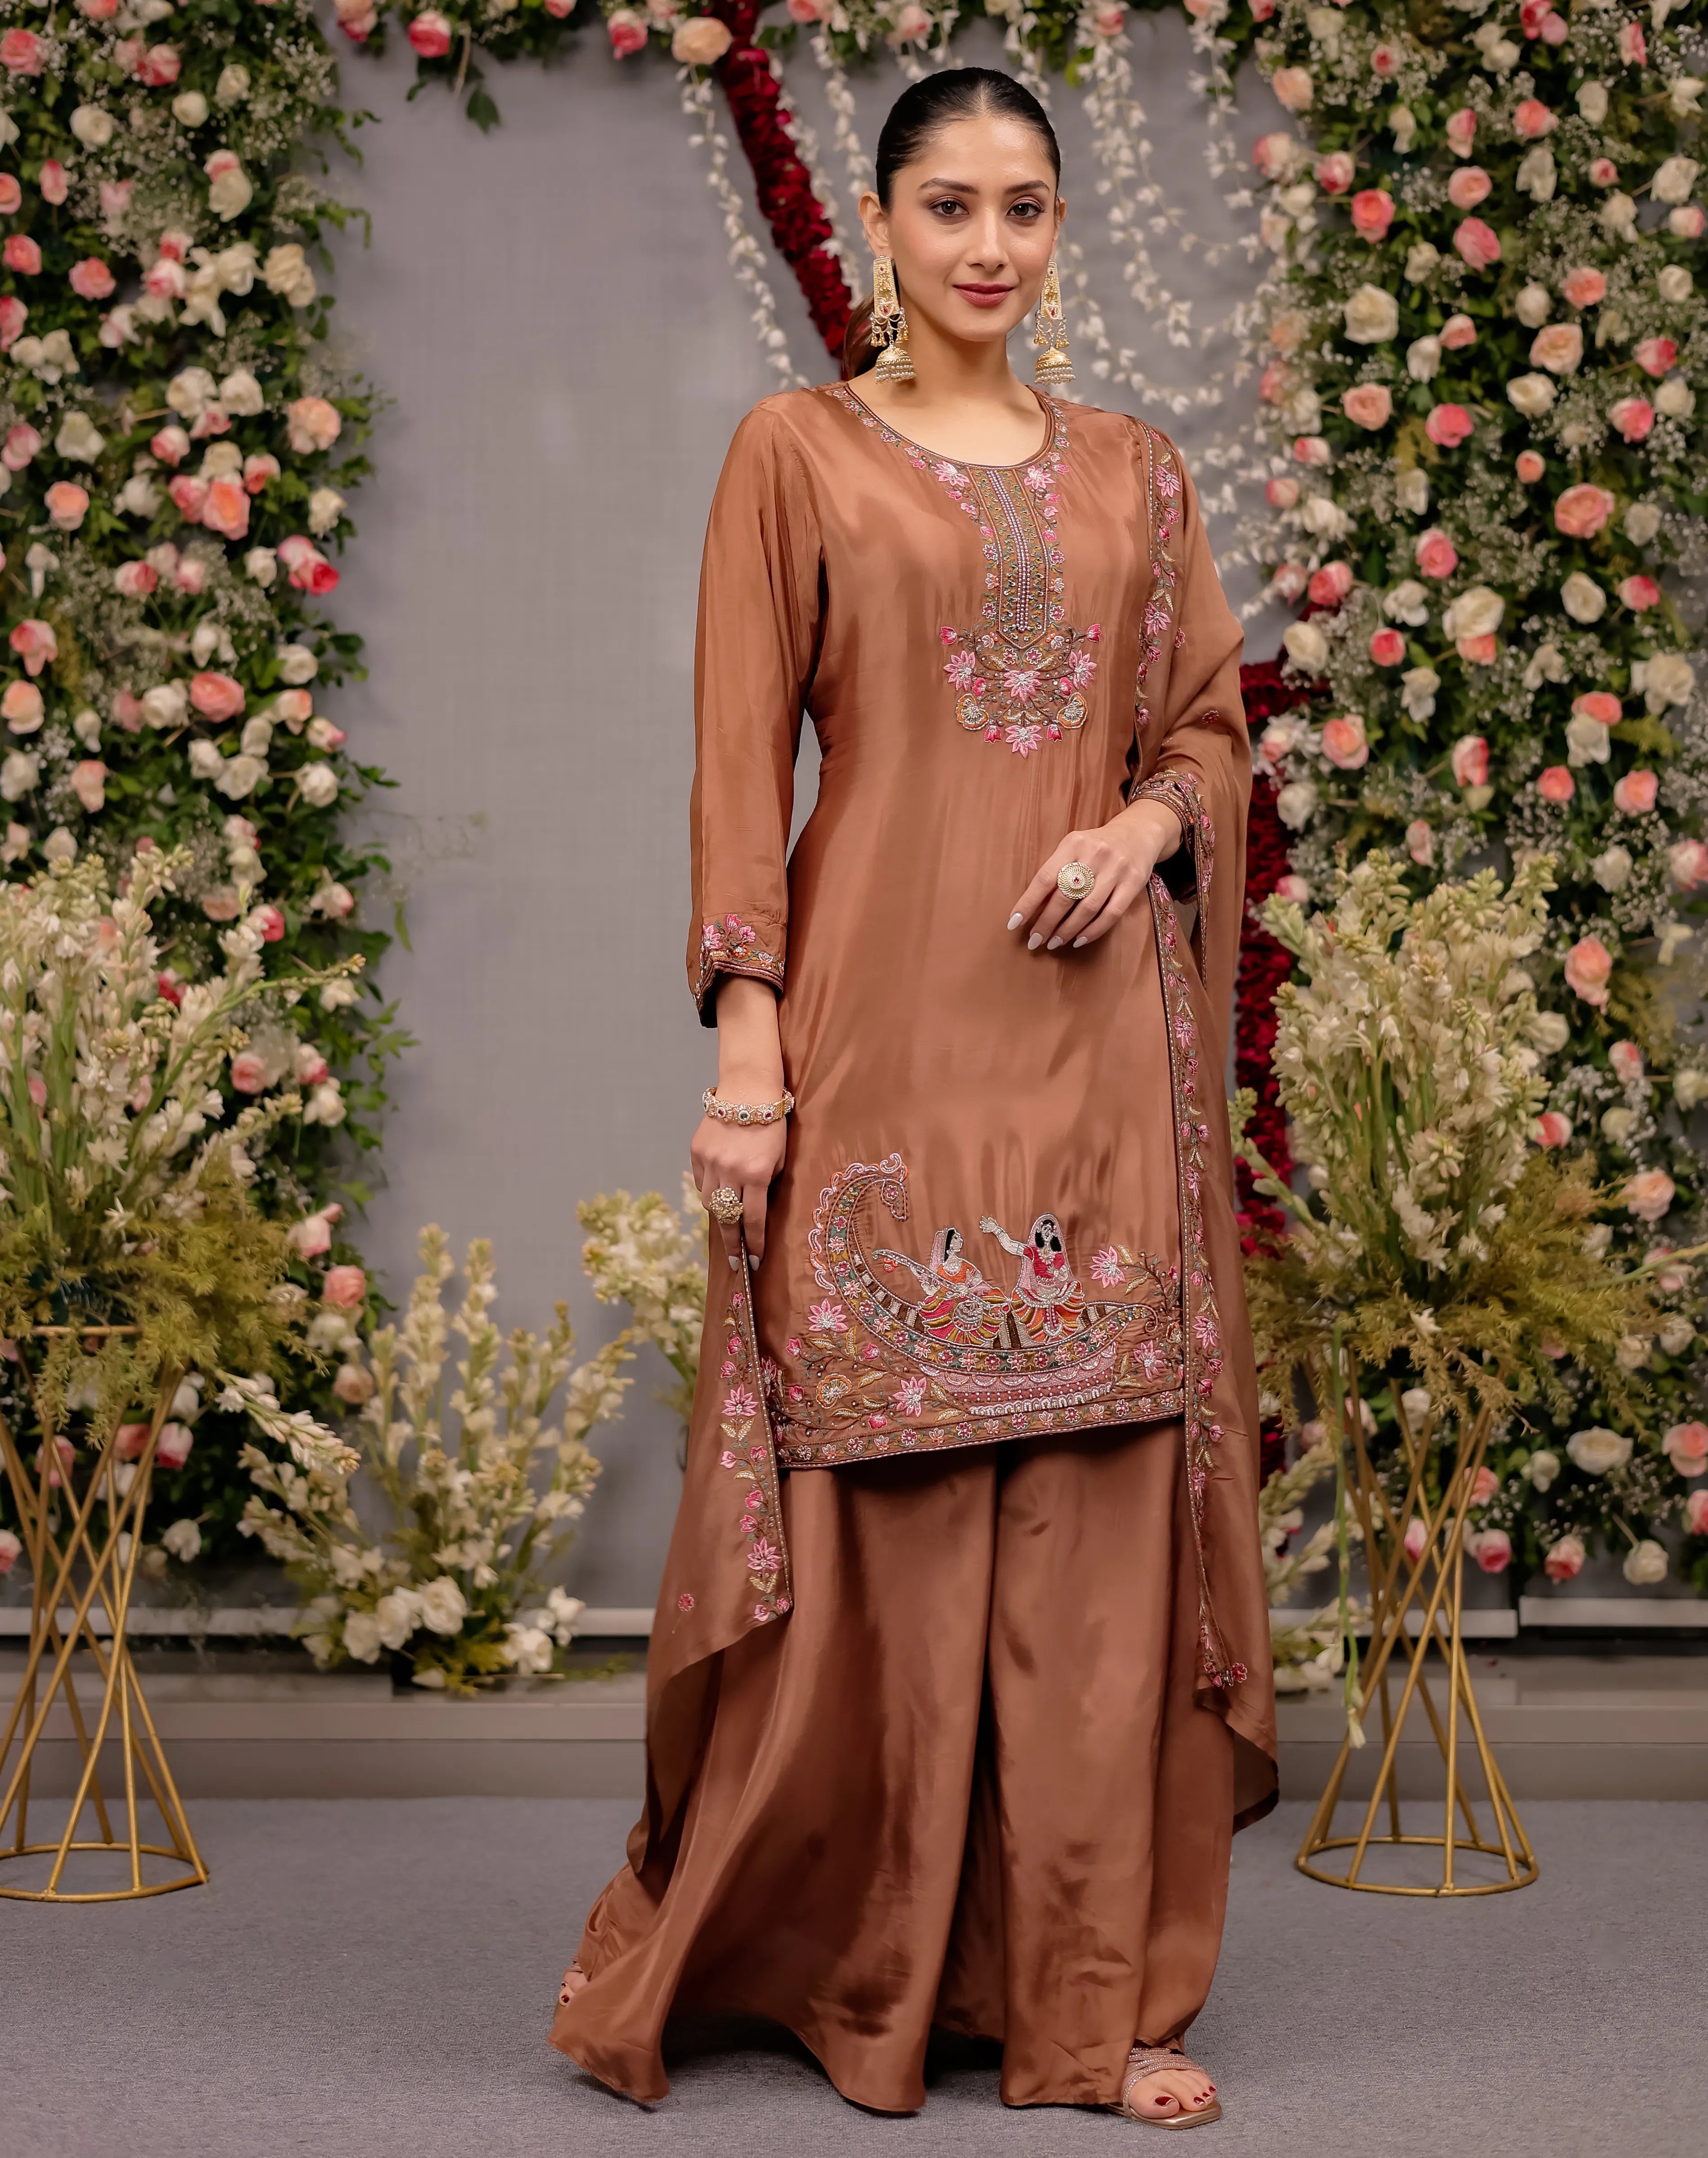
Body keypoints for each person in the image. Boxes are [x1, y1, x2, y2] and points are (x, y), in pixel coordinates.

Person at [551, 66, 1275, 2127]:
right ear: (876, 224)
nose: (987, 244)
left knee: (1092, 1536)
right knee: (880, 1524)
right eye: (947, 203)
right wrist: (748, 1053)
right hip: (878, 1050)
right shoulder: (794, 455)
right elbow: (739, 767)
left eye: (1023, 206)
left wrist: (1144, 826)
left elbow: (1205, 725)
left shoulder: (1135, 473)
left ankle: (1079, 2006)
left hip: (1091, 1056)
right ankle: (864, 1971)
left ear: (1056, 231)